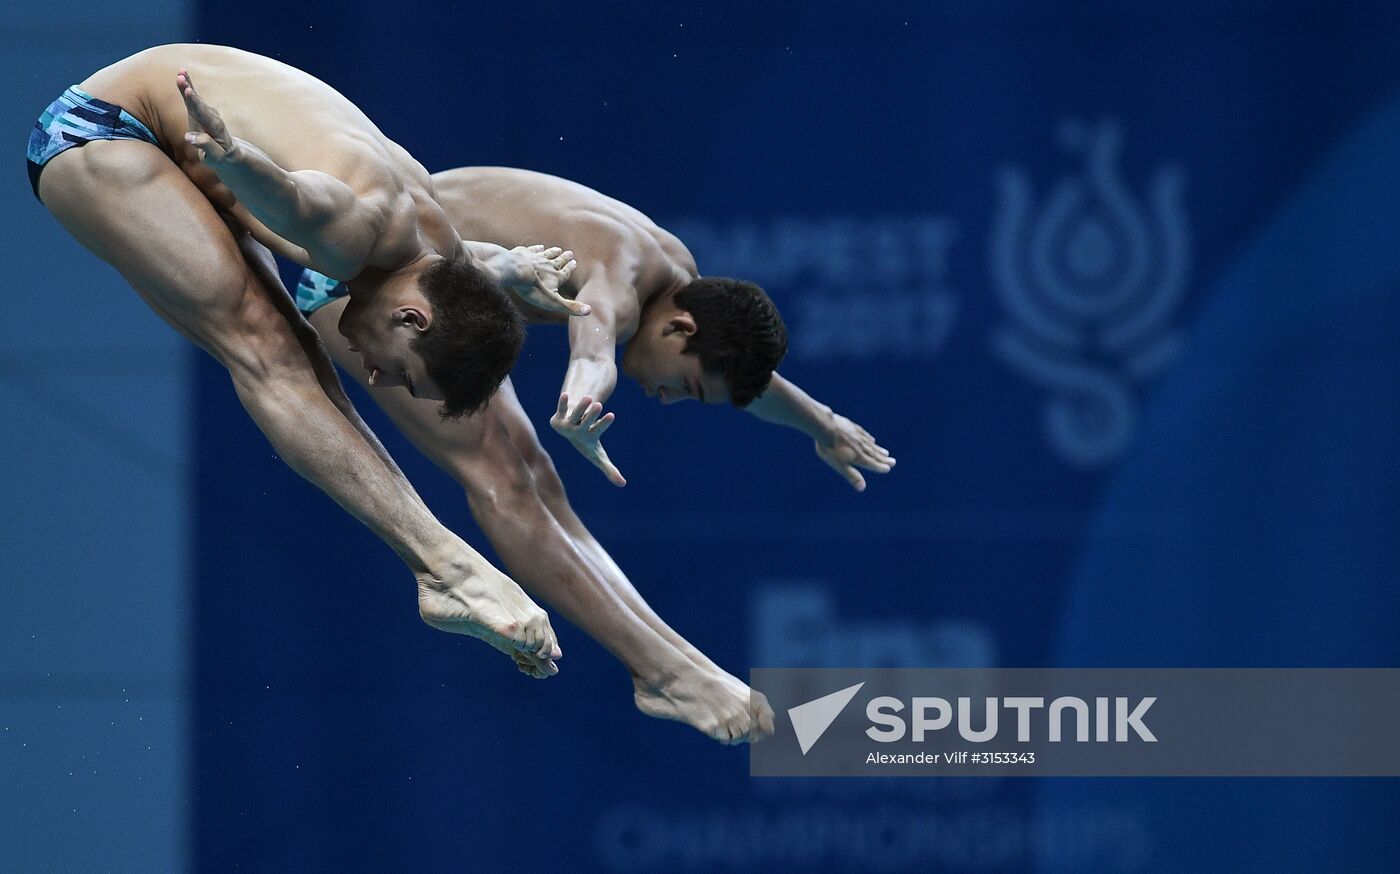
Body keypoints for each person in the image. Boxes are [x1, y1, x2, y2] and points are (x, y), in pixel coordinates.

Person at [26, 46, 586, 679]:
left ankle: (442, 565)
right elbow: (299, 199)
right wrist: (240, 160)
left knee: (300, 353)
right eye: (402, 372)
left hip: (178, 142)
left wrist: (513, 267)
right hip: (99, 130)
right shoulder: (354, 229)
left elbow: (472, 267)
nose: (376, 377)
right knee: (266, 347)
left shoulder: (441, 255)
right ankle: (447, 567)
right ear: (412, 318)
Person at [293, 167, 897, 743]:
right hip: (362, 285)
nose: (667, 401)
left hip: (417, 274)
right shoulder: (620, 273)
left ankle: (678, 661)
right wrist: (582, 409)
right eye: (685, 387)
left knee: (536, 480)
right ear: (679, 331)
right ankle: (665, 674)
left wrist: (823, 423)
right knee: (501, 472)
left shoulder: (678, 277)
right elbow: (592, 348)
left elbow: (747, 377)